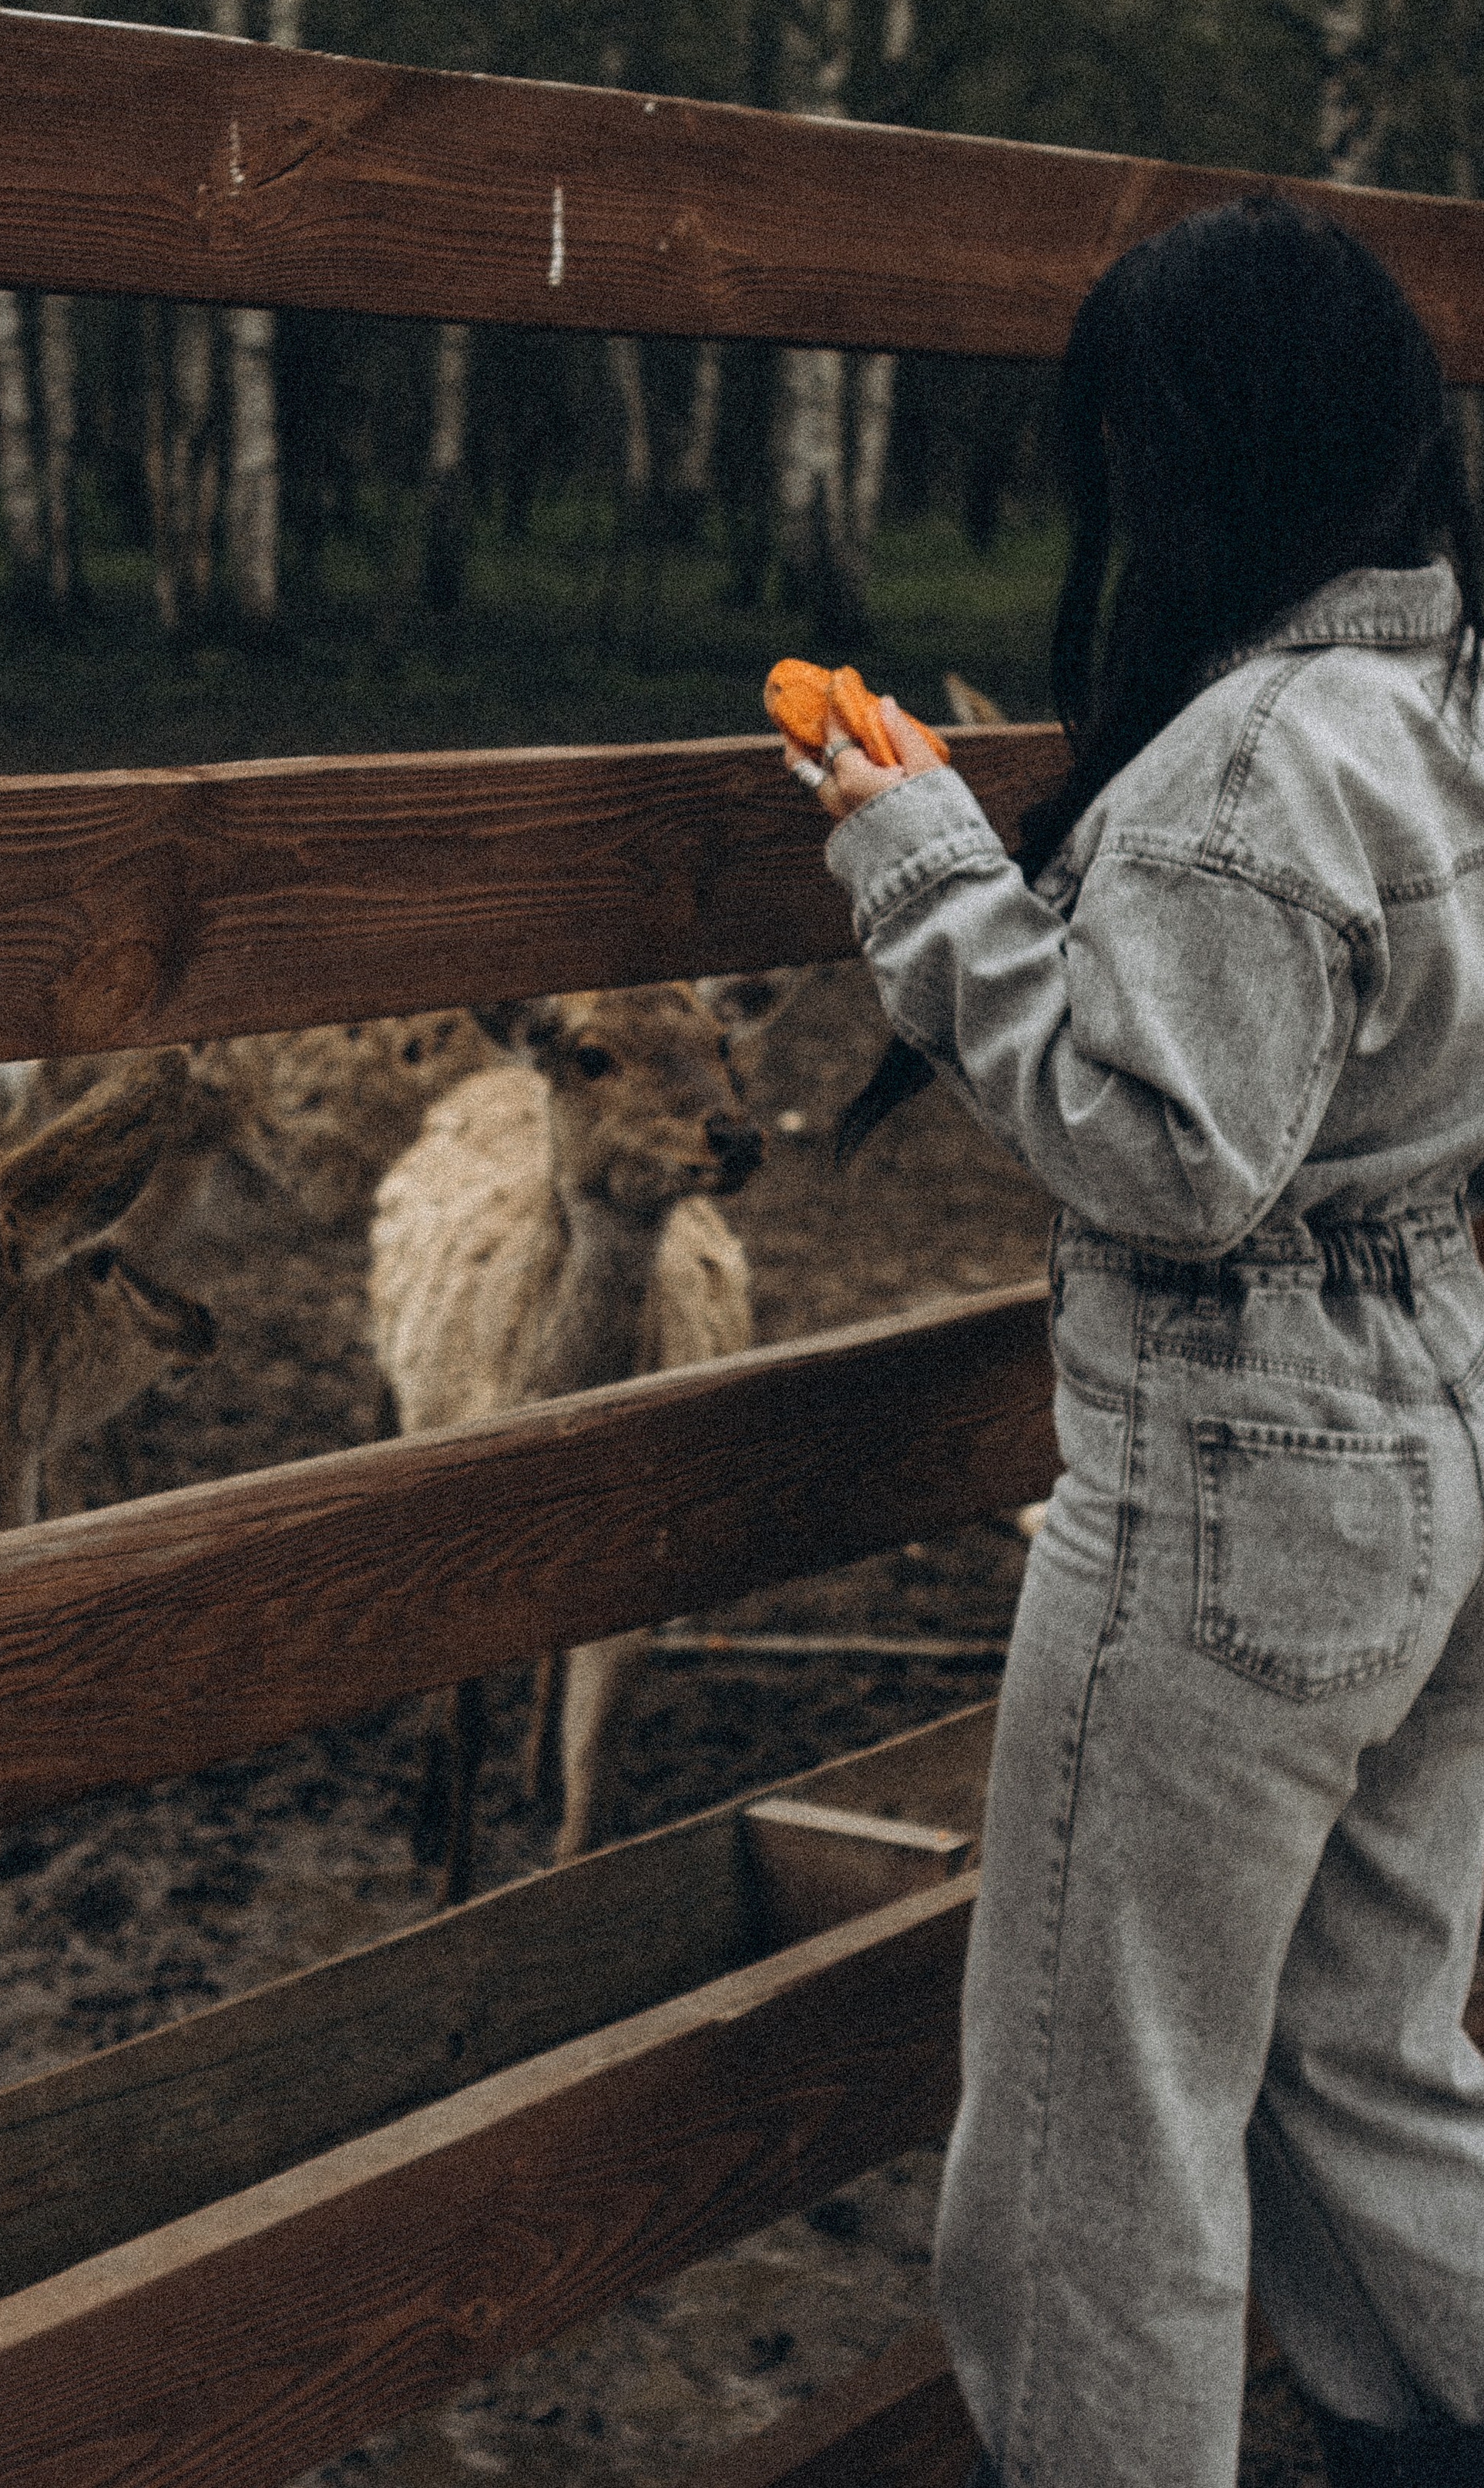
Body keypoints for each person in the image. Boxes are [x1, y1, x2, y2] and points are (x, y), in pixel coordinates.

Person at [795, 194, 1484, 2488]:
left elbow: (1164, 1142)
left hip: (1238, 1491)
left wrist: (923, 866)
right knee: (1373, 2048)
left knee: (1104, 2126)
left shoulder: (1247, 770)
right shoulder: (1448, 704)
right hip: (1443, 1453)